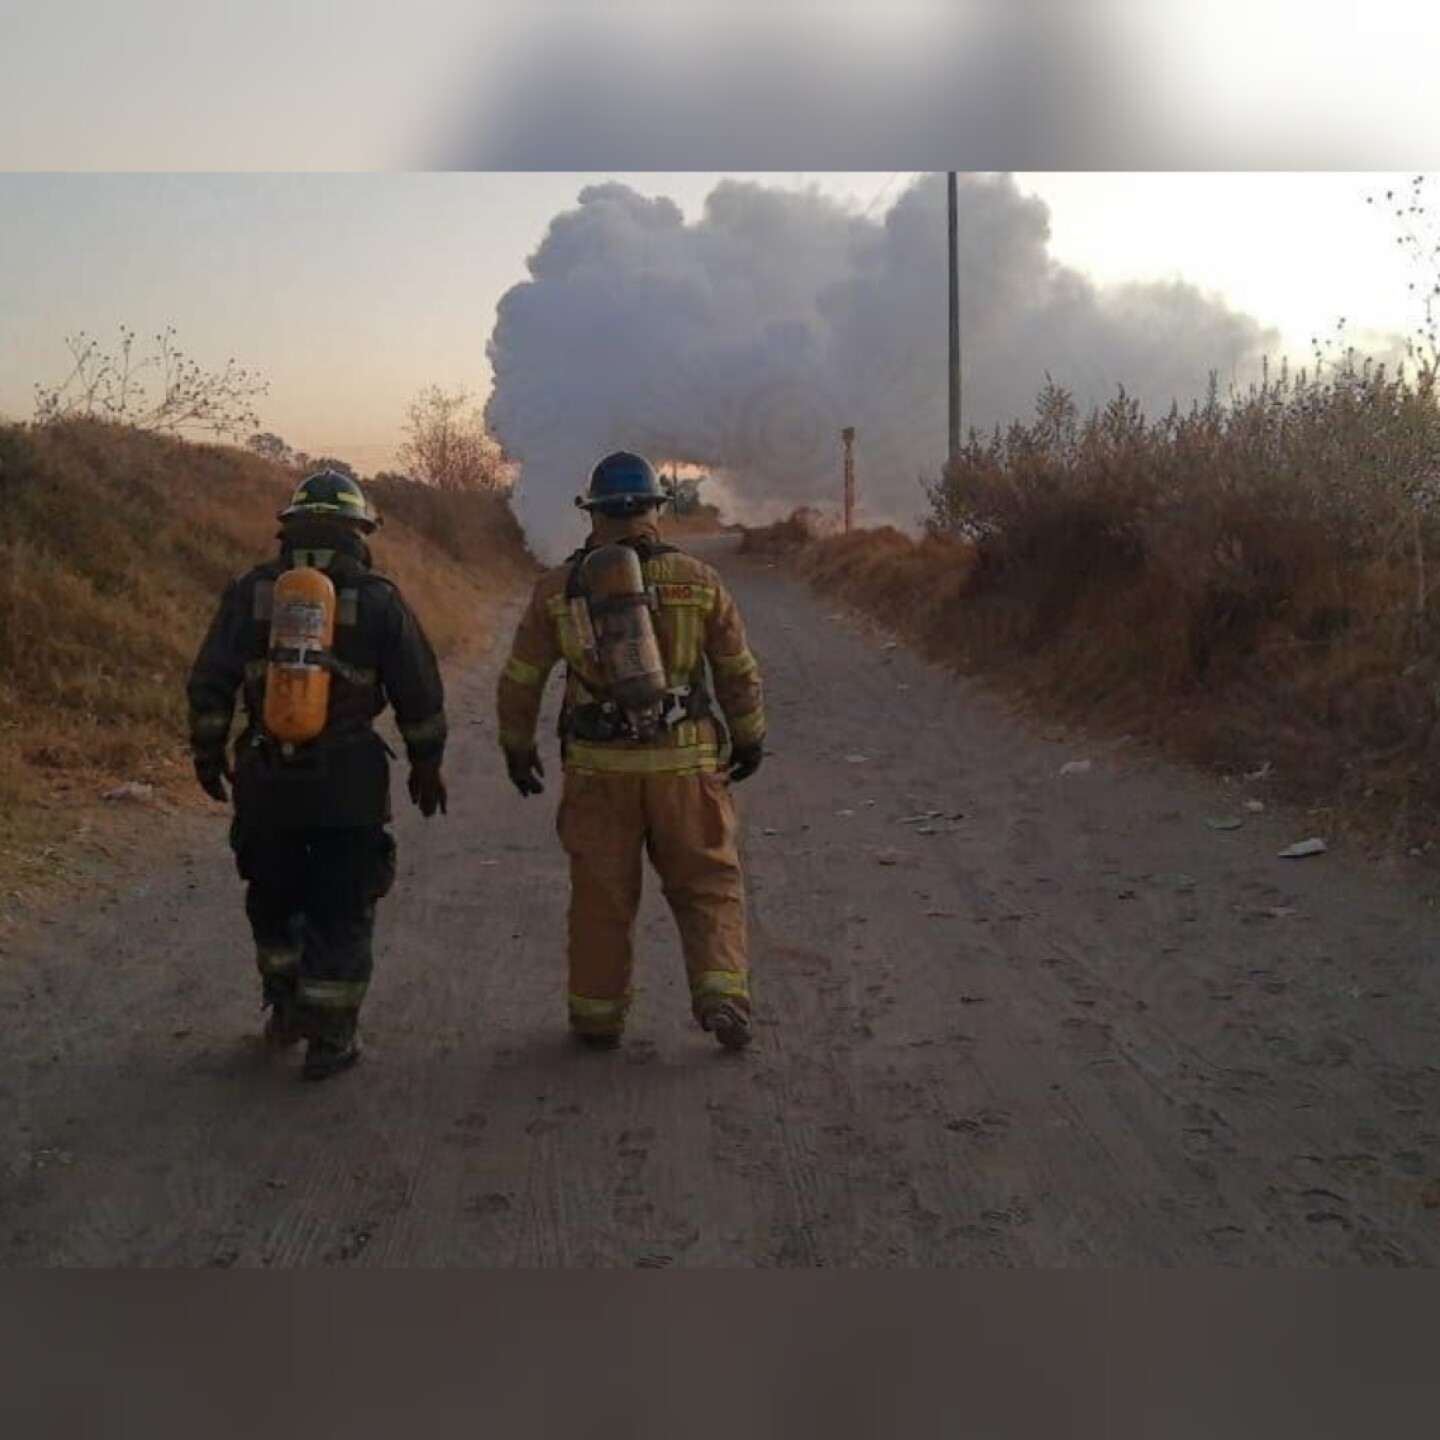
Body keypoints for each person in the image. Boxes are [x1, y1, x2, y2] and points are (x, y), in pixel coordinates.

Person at [496, 450, 765, 1051]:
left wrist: (516, 745)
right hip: (687, 769)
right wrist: (749, 737)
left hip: (600, 773)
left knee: (601, 897)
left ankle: (597, 1017)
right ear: (653, 510)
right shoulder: (700, 582)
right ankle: (722, 995)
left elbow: (520, 676)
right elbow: (737, 672)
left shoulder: (557, 589)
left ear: (593, 514)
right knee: (708, 884)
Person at [186, 468, 449, 1081]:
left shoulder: (251, 590)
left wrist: (206, 752)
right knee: (343, 905)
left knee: (272, 896)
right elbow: (419, 690)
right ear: (359, 531)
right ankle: (332, 1036)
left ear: (290, 528)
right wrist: (426, 764)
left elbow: (210, 680)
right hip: (348, 783)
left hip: (265, 779)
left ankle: (284, 1009)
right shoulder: (380, 599)